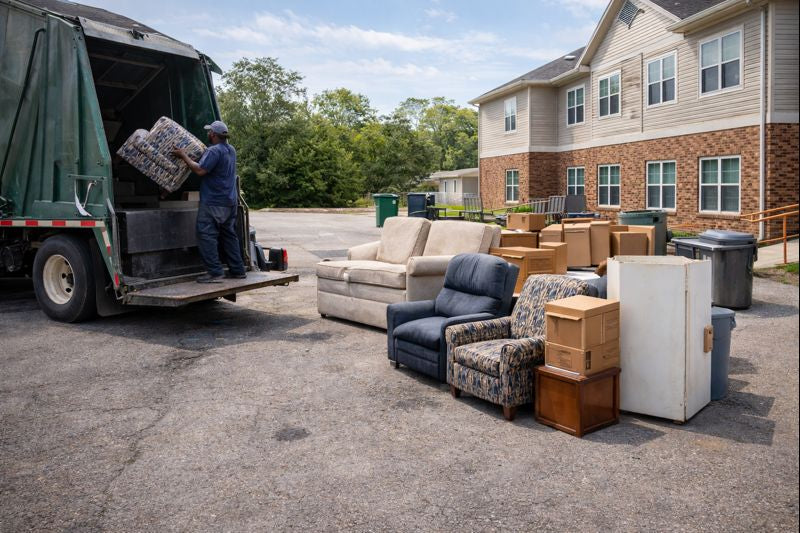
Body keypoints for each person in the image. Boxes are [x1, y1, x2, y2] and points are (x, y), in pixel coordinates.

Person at [172, 120, 246, 283]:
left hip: (214, 202)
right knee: (229, 235)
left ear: (213, 134)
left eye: (209, 132)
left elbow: (200, 170)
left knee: (206, 235)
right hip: (230, 201)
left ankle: (214, 273)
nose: (207, 134)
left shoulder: (214, 151)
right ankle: (238, 270)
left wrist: (183, 155)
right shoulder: (230, 150)